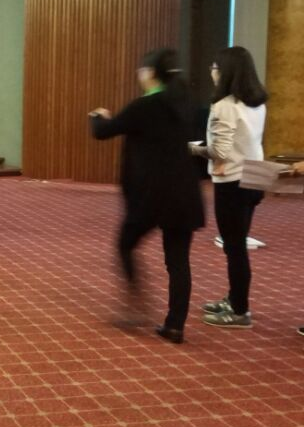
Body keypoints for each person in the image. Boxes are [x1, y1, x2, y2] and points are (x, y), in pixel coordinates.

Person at [90, 49, 205, 343]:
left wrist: (98, 116)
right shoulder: (185, 103)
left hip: (152, 196)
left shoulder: (144, 106)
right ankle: (175, 325)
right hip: (185, 192)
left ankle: (136, 305)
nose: (139, 74)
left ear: (151, 73)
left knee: (125, 244)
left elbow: (103, 132)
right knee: (178, 261)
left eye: (142, 70)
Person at [190, 46, 267, 329]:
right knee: (238, 243)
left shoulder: (224, 104)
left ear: (224, 71)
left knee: (234, 247)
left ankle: (239, 310)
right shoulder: (256, 102)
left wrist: (192, 149)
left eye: (214, 66)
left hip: (233, 179)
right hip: (257, 173)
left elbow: (220, 151)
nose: (212, 71)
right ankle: (235, 298)